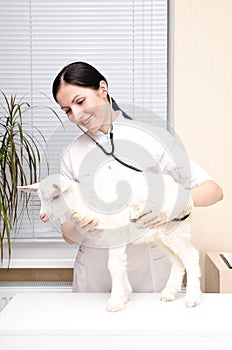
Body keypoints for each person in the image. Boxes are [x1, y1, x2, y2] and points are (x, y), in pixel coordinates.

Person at [41, 61, 223, 293]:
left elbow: (213, 190)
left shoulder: (153, 139)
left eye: (80, 101)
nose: (76, 114)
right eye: (67, 110)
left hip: (150, 269)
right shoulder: (70, 154)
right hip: (95, 273)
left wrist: (176, 204)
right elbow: (68, 234)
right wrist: (82, 227)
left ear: (102, 89)